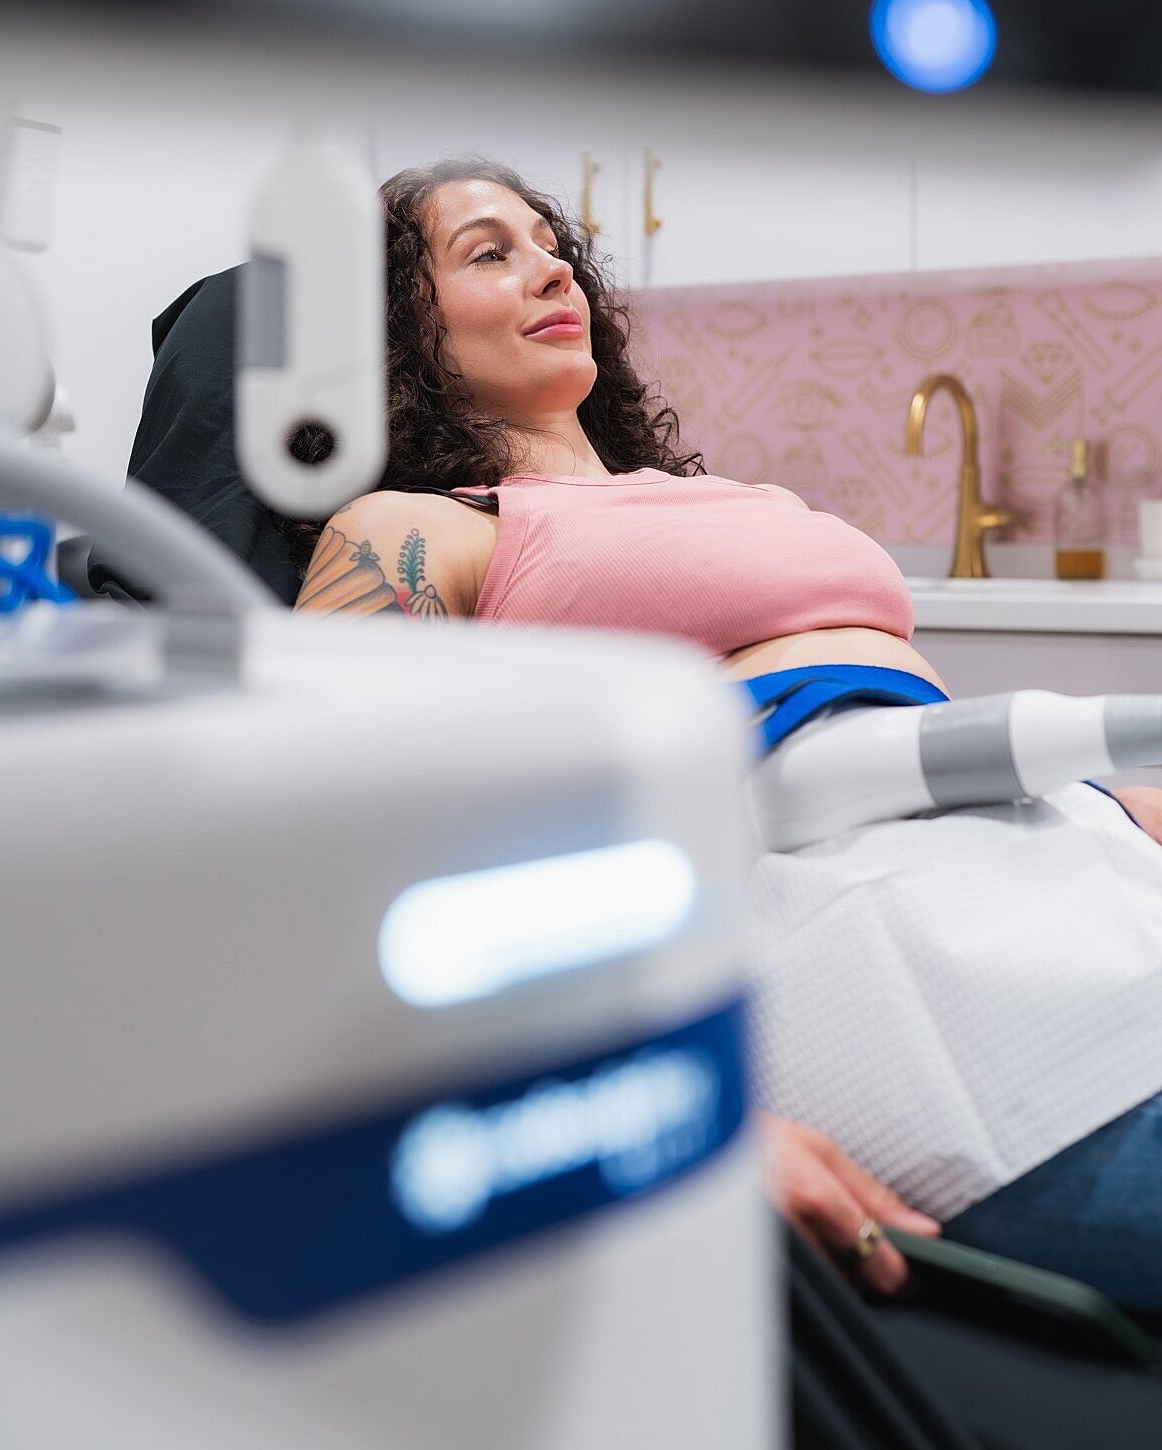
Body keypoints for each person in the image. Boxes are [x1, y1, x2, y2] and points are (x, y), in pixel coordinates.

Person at [289, 157, 1162, 1314]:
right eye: (489, 251)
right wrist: (672, 1115)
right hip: (852, 915)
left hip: (1047, 850)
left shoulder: (744, 498)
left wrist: (1116, 807)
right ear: (392, 332)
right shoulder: (416, 529)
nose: (551, 264)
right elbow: (329, 860)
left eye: (550, 241)